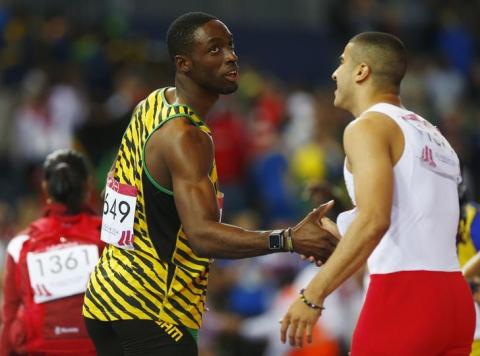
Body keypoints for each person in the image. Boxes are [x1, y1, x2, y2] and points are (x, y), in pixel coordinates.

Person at [82, 11, 338, 356]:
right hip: (153, 311)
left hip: (104, 298)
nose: (231, 56)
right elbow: (201, 236)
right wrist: (289, 239)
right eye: (214, 50)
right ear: (184, 63)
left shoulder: (152, 104)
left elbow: (113, 187)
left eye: (230, 46)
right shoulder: (186, 137)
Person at [280, 32, 476, 355]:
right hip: (454, 302)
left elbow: (375, 219)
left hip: (403, 298)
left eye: (343, 62)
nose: (334, 72)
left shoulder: (367, 126)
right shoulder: (435, 136)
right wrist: (340, 232)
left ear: (361, 71)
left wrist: (312, 294)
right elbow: (414, 220)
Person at [0, 149, 103, 355]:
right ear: (87, 185)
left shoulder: (21, 244)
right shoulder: (109, 239)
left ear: (45, 188)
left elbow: (9, 317)